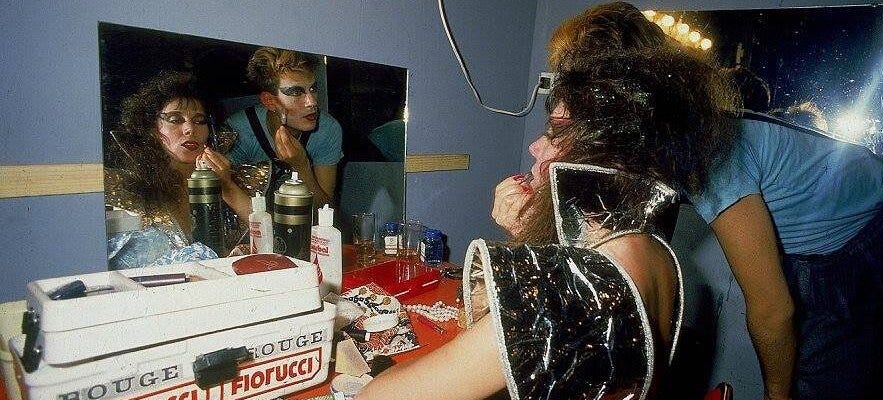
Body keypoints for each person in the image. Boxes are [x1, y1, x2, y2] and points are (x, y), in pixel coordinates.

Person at [548, 4, 883, 398]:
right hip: (846, 227)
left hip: (871, 233)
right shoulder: (668, 136)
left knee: (814, 384)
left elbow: (772, 309)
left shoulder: (706, 156)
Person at [357, 61, 687, 399]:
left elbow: (379, 396)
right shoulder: (652, 247)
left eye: (555, 133)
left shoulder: (575, 285)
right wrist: (526, 235)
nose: (534, 146)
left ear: (602, 156)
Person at [105, 71, 251, 264]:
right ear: (152, 128)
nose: (190, 129)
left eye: (199, 121)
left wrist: (227, 187)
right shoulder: (125, 190)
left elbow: (275, 240)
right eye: (175, 119)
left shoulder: (239, 179)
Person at [224, 47, 343, 209]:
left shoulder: (327, 130)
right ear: (269, 101)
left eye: (313, 89)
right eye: (296, 92)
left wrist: (302, 166)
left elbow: (325, 209)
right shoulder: (239, 131)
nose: (312, 102)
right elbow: (227, 200)